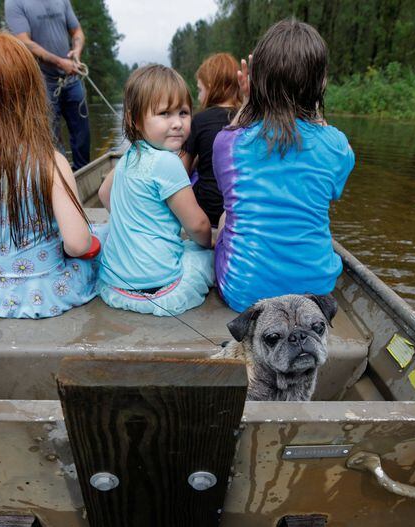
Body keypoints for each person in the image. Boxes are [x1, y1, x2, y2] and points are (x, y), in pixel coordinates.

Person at [0, 32, 103, 319]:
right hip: (49, 293)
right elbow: (78, 244)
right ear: (33, 92)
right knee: (102, 238)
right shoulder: (49, 161)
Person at [213, 19, 355, 313]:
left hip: (243, 294)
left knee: (228, 217)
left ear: (256, 82)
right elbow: (332, 186)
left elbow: (236, 132)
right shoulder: (338, 146)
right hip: (315, 295)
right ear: (322, 82)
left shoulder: (227, 144)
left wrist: (251, 101)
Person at [96, 65, 214, 317]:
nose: (177, 123)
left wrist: (131, 221)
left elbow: (104, 194)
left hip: (116, 285)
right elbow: (198, 225)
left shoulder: (129, 155)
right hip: (162, 289)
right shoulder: (169, 162)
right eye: (164, 113)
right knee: (203, 255)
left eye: (183, 112)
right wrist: (212, 241)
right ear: (133, 120)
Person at [5, 0, 91, 170]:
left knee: (82, 134)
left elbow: (77, 31)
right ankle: (58, 179)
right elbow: (24, 42)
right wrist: (60, 62)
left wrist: (76, 51)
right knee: (50, 139)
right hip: (42, 82)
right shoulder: (14, 2)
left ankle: (83, 175)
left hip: (72, 80)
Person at [180, 53, 242, 227]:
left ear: (210, 86)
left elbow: (180, 174)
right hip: (239, 210)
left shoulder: (199, 120)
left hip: (207, 211)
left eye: (199, 90)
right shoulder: (248, 119)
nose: (199, 97)